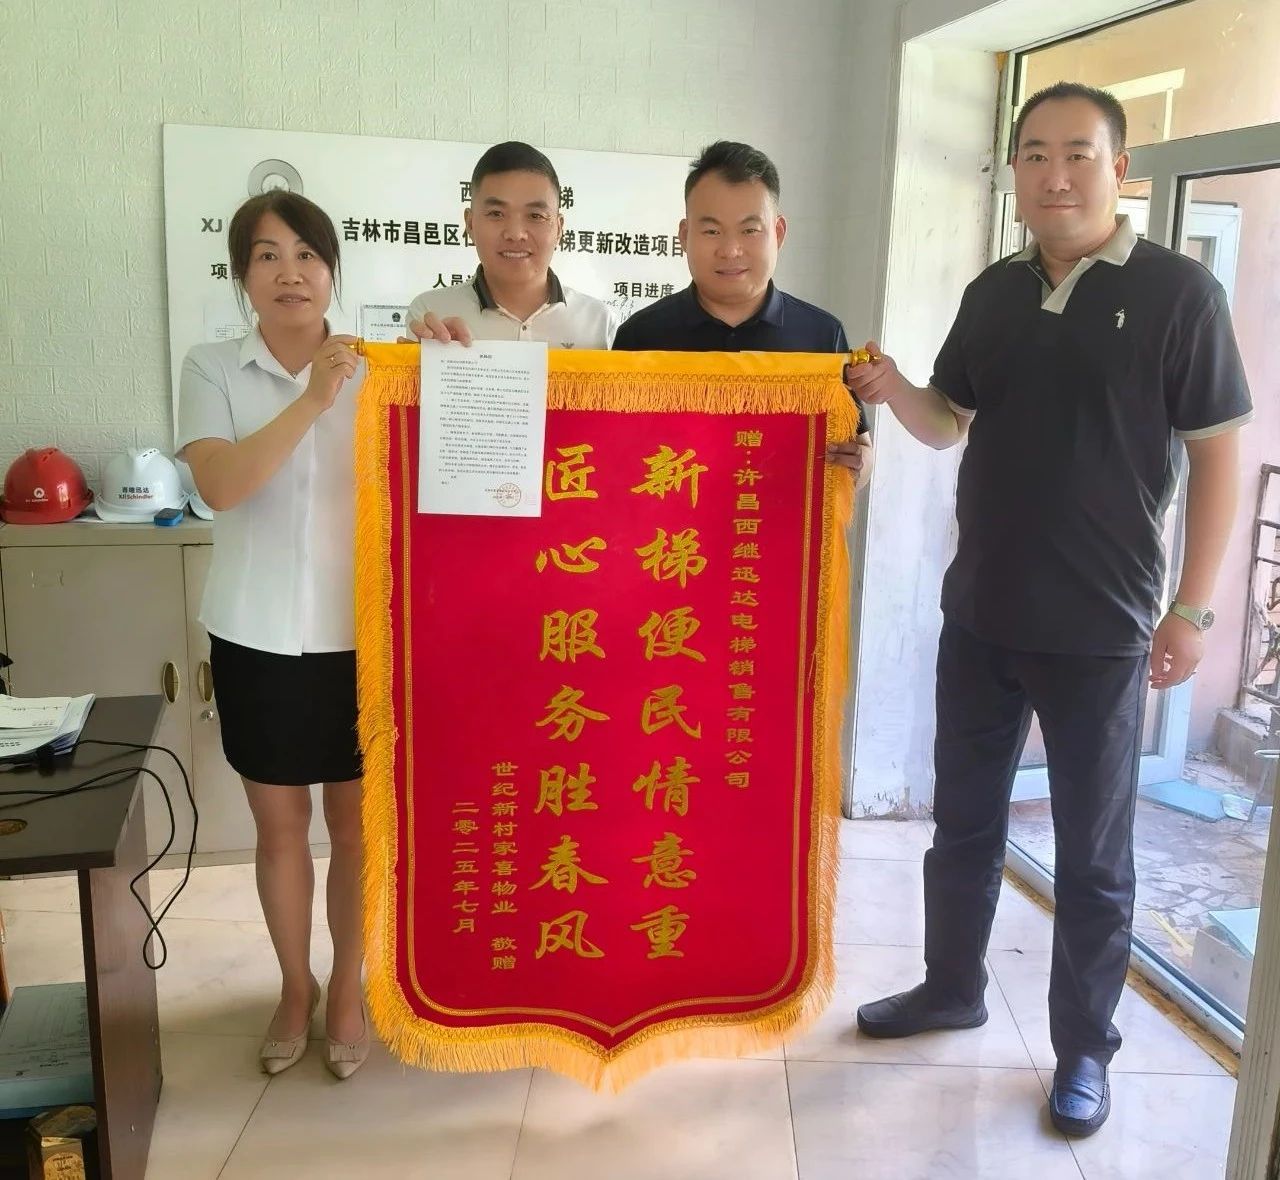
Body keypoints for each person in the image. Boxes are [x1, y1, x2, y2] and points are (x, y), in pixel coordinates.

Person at [851, 82, 1252, 1136]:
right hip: (980, 611)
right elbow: (948, 421)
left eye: (1077, 154)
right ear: (1015, 172)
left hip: (1101, 630)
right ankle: (951, 987)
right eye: (1034, 154)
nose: (1055, 175)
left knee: (1092, 856)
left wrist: (1193, 608)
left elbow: (1218, 454)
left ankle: (1083, 1052)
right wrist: (893, 388)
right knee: (963, 823)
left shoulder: (1179, 294)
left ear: (1119, 168)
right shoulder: (993, 291)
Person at [177, 191, 371, 1080]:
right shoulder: (213, 366)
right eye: (267, 255)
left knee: (357, 828)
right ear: (242, 274)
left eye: (307, 254)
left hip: (363, 637)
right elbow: (222, 484)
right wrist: (312, 399)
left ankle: (350, 989)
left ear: (332, 269)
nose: (290, 272)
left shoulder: (380, 368)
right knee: (280, 826)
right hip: (256, 635)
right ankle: (297, 988)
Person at [611, 140, 872, 487]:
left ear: (778, 233)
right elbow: (615, 455)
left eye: (749, 230)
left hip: (774, 521)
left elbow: (860, 450)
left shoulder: (821, 334)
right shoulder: (640, 336)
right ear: (684, 236)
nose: (731, 250)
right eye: (712, 231)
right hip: (673, 522)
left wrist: (859, 465)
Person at [406, 141, 617, 348]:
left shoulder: (599, 324)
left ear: (559, 228)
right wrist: (424, 361)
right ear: (470, 224)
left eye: (535, 215)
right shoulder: (432, 312)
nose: (516, 234)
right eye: (496, 214)